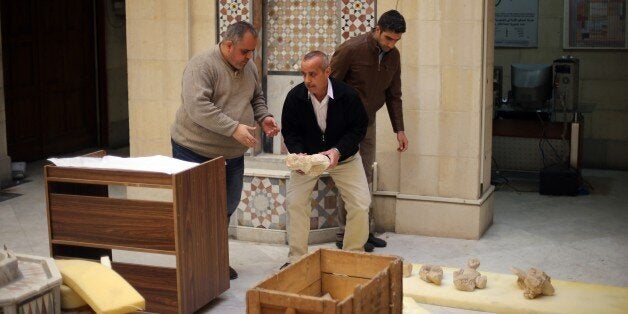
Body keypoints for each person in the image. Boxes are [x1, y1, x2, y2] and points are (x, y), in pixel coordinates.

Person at [170, 21, 280, 280]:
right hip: (193, 149)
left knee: (226, 208)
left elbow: (256, 97)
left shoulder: (248, 66)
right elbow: (198, 108)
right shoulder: (202, 65)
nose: (249, 57)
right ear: (228, 44)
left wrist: (263, 117)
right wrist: (233, 128)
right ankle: (194, 269)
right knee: (194, 213)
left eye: (252, 52)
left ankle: (215, 261)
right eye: (244, 51)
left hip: (231, 153)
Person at [281, 51, 370, 267]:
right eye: (303, 74)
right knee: (295, 203)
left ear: (327, 72)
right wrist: (299, 154)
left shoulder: (347, 95)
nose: (307, 80)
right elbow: (290, 132)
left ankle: (352, 255)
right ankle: (297, 260)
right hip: (308, 160)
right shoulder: (294, 97)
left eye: (312, 74)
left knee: (361, 204)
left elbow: (359, 128)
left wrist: (338, 150)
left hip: (344, 158)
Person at [330, 10, 409, 251]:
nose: (391, 44)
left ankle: (364, 231)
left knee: (365, 177)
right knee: (350, 178)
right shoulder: (351, 49)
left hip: (369, 123)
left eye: (396, 40)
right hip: (345, 124)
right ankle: (347, 235)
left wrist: (400, 130)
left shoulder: (393, 57)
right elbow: (330, 86)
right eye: (388, 38)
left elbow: (394, 95)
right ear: (377, 30)